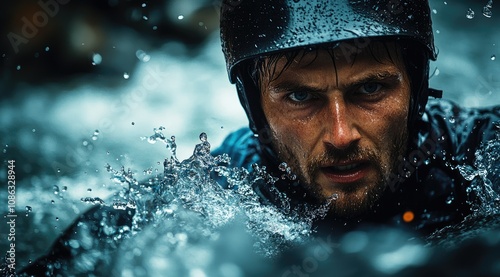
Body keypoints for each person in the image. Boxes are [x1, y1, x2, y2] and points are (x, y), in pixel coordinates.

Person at [18, 0, 500, 275]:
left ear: (416, 88)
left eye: (370, 89)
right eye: (299, 98)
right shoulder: (216, 194)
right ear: (256, 111)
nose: (340, 134)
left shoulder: (479, 154)